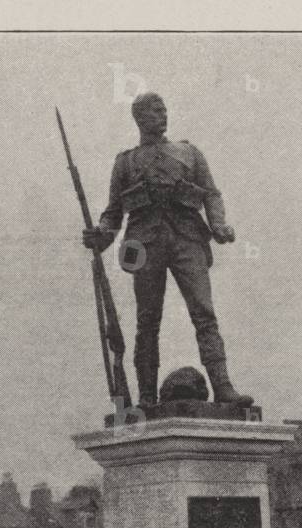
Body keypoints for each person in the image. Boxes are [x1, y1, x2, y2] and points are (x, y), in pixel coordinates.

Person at [83, 92, 253, 409]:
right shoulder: (126, 162)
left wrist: (218, 224)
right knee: (148, 320)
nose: (163, 117)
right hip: (143, 244)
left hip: (188, 237)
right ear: (139, 118)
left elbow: (212, 194)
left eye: (164, 111)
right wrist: (101, 234)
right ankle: (147, 395)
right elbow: (113, 212)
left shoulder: (190, 153)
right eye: (155, 112)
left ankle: (223, 386)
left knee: (204, 313)